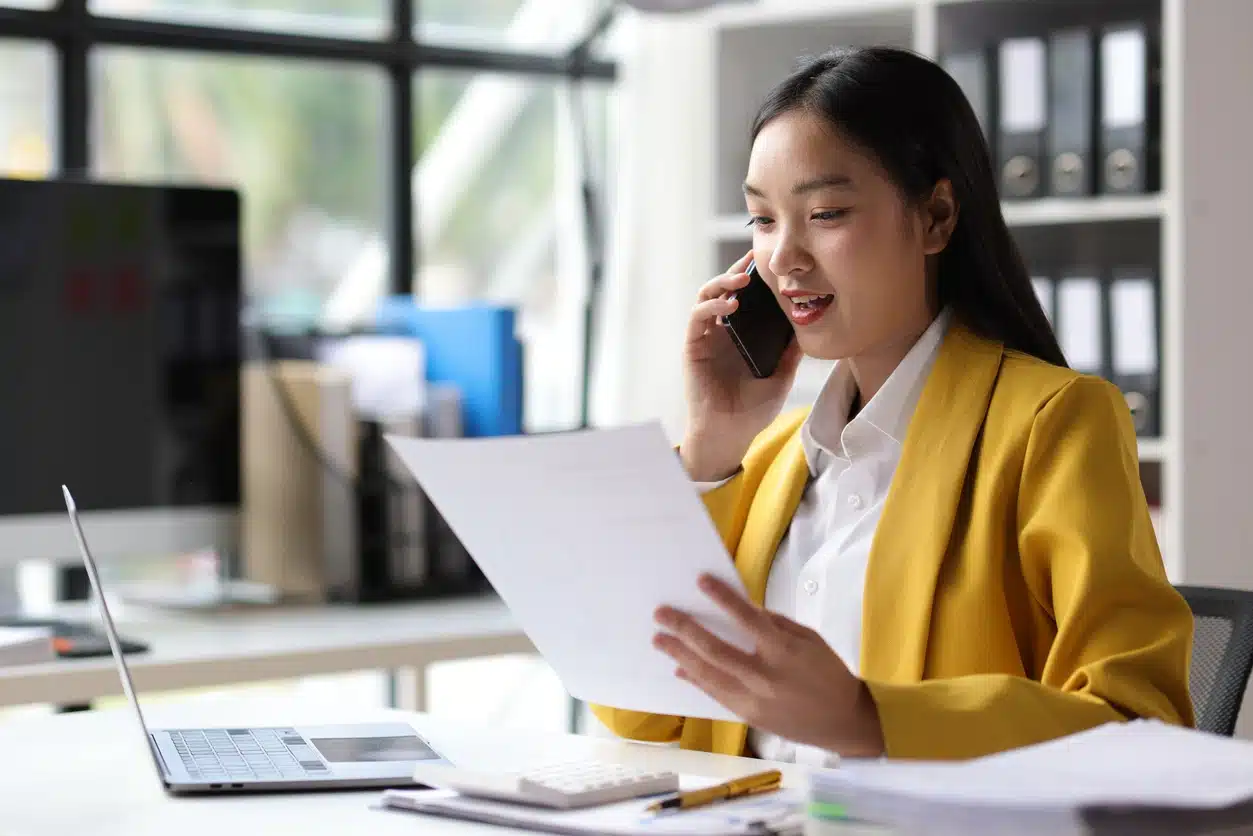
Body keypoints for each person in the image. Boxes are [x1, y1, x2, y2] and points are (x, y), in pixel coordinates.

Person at [589, 45, 1194, 762]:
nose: (783, 256)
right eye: (761, 219)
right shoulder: (766, 458)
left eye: (825, 212)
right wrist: (711, 444)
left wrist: (866, 718)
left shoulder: (1052, 423)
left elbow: (1137, 725)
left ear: (936, 216)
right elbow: (639, 719)